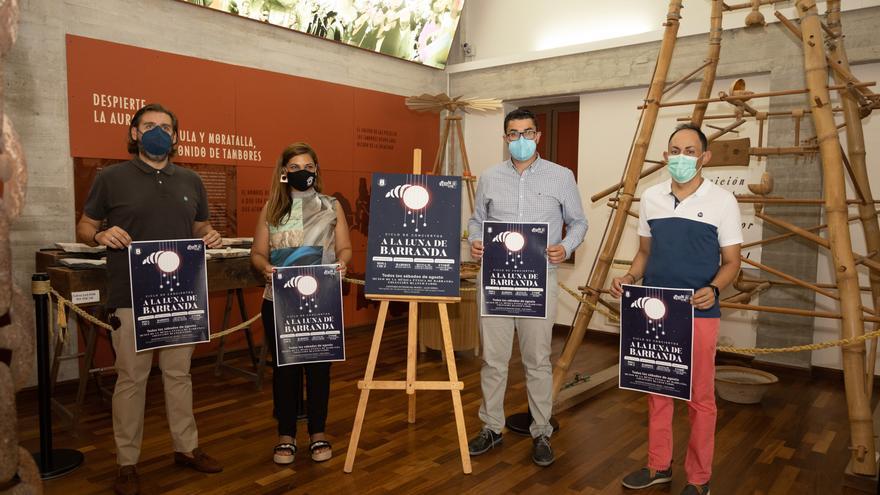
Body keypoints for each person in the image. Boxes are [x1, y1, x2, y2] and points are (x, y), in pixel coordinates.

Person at [76, 103, 224, 495]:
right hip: (130, 294)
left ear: (176, 137)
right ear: (135, 133)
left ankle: (187, 448)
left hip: (180, 297)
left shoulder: (190, 180)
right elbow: (85, 225)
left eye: (166, 127)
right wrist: (98, 235)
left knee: (179, 375)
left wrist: (210, 234)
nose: (158, 131)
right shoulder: (111, 177)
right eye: (149, 126)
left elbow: (200, 225)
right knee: (131, 379)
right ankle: (127, 463)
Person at [610, 123, 742, 495]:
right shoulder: (651, 197)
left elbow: (733, 261)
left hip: (699, 312)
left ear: (704, 157)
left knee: (700, 398)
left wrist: (714, 289)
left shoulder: (722, 201)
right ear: (666, 157)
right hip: (655, 312)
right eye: (674, 150)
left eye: (689, 151)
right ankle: (659, 466)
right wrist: (630, 276)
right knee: (658, 391)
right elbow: (645, 253)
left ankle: (699, 479)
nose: (681, 157)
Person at [467, 108, 588, 467]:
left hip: (539, 284)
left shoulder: (561, 176)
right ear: (505, 139)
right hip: (496, 284)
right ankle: (491, 427)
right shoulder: (489, 177)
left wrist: (565, 247)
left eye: (527, 132)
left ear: (538, 136)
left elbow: (579, 222)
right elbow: (477, 222)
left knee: (537, 360)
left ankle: (542, 432)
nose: (520, 140)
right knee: (493, 360)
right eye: (513, 134)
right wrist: (476, 242)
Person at [250, 142, 352, 466]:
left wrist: (344, 264)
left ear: (316, 171)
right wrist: (263, 267)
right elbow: (257, 253)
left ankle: (318, 432)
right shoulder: (271, 209)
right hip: (279, 300)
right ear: (283, 173)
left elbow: (345, 248)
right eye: (294, 167)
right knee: (285, 371)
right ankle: (286, 434)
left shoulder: (331, 206)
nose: (302, 172)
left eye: (308, 166)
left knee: (320, 369)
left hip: (321, 299)